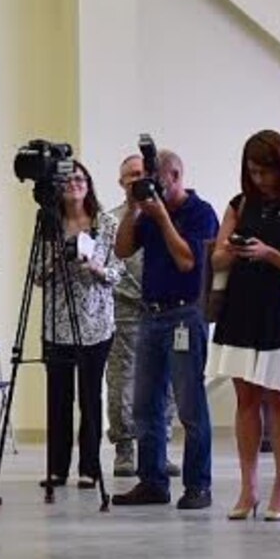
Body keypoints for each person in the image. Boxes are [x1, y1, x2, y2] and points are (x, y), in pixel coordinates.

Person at [206, 131, 280, 521]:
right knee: (245, 399)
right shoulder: (240, 204)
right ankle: (248, 488)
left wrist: (268, 254)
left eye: (268, 171)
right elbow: (215, 260)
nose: (263, 179)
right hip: (241, 306)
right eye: (254, 171)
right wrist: (230, 251)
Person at [113, 148, 219, 510]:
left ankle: (197, 485)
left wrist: (162, 218)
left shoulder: (200, 212)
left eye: (157, 179)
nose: (152, 186)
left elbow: (189, 261)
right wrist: (133, 209)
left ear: (174, 176)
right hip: (150, 315)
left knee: (190, 406)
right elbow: (123, 249)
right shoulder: (147, 211)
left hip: (184, 315)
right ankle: (152, 481)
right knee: (145, 406)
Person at [39, 161, 119, 489]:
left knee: (89, 397)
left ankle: (90, 467)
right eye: (68, 179)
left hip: (96, 323)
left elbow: (118, 273)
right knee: (58, 398)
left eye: (80, 178)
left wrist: (97, 269)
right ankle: (57, 468)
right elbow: (35, 276)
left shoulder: (108, 223)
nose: (74, 183)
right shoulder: (48, 225)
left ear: (89, 184)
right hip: (56, 324)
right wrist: (58, 259)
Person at [104, 154, 170, 479]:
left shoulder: (165, 215)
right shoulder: (110, 220)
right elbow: (111, 264)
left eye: (141, 173)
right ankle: (124, 447)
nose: (136, 179)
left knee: (165, 381)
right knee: (121, 382)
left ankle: (160, 446)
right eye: (130, 175)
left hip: (163, 307)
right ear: (121, 183)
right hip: (124, 310)